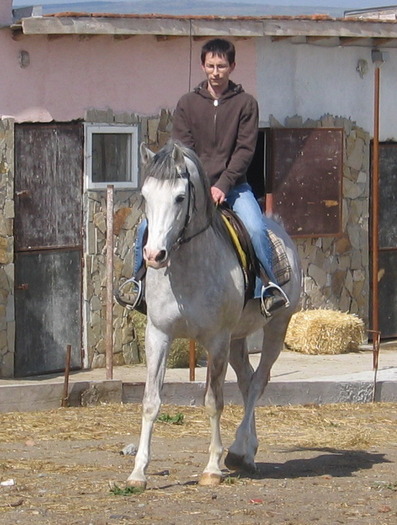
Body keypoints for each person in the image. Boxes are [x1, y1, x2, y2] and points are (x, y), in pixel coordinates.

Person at [117, 38, 289, 316]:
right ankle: (137, 285)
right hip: (194, 189)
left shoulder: (246, 104)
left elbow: (245, 150)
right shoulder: (187, 103)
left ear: (232, 66)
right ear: (202, 66)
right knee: (144, 228)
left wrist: (223, 185)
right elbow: (182, 150)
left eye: (222, 66)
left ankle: (267, 288)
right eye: (210, 65)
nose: (216, 72)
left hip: (235, 187)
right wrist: (200, 186)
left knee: (257, 228)